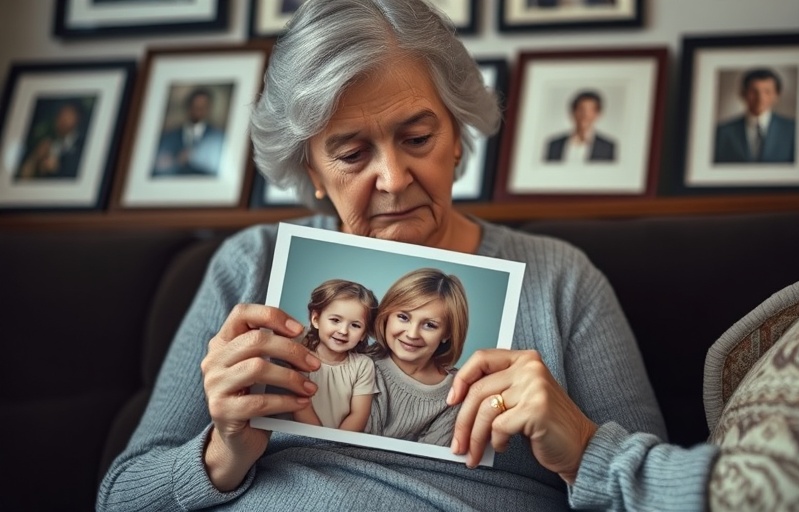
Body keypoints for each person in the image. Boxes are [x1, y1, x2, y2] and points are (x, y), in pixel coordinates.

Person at [97, 1, 718, 510]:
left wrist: (582, 446)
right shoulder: (250, 264)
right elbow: (121, 498)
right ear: (309, 168)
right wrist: (223, 451)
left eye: (417, 138)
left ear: (456, 136)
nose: (393, 178)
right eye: (350, 153)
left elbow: (653, 494)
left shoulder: (560, 279)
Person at [365, 268, 468, 446]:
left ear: (447, 334)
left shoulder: (457, 391)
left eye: (429, 325)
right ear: (387, 316)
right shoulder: (359, 363)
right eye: (403, 317)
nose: (412, 334)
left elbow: (431, 461)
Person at [290, 279, 378, 431]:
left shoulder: (363, 365)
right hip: (304, 435)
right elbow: (300, 405)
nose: (343, 331)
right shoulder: (302, 355)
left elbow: (359, 414)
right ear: (316, 319)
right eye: (335, 320)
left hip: (342, 442)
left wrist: (336, 442)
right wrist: (318, 439)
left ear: (363, 334)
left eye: (355, 325)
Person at [714, 67, 796, 164]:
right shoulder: (722, 132)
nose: (760, 98)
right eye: (754, 92)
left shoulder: (792, 130)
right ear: (743, 94)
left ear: (777, 96)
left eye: (767, 92)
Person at [152, 87, 226, 176]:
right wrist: (176, 160)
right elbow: (158, 167)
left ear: (208, 109)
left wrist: (195, 158)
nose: (199, 110)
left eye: (203, 106)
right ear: (188, 107)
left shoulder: (218, 137)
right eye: (195, 106)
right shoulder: (169, 136)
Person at [17, 101, 86, 179]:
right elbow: (23, 177)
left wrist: (57, 170)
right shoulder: (45, 142)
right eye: (60, 115)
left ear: (78, 118)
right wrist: (35, 157)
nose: (63, 119)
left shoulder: (83, 145)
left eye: (68, 115)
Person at [545, 90, 615, 162]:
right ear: (572, 113)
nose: (585, 115)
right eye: (581, 109)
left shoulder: (608, 147)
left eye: (590, 110)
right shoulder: (554, 145)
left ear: (598, 114)